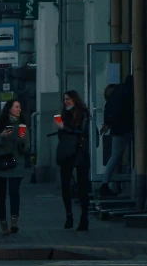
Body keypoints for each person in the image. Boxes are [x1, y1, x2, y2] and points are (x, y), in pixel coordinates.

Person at [0, 99, 30, 235]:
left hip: (16, 165)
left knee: (14, 192)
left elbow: (27, 147)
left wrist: (22, 141)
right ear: (9, 109)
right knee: (1, 195)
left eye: (20, 107)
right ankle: (3, 222)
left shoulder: (22, 125)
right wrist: (2, 136)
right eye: (16, 107)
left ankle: (14, 221)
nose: (19, 109)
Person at [55, 90, 91, 231]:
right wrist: (61, 128)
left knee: (82, 187)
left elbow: (82, 132)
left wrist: (65, 128)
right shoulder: (63, 115)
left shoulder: (83, 114)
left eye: (68, 99)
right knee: (65, 186)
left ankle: (84, 218)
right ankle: (69, 216)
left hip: (80, 152)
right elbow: (61, 135)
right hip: (66, 153)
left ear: (75, 100)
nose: (66, 102)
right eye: (64, 100)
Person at [99, 75, 134, 196]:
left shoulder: (113, 98)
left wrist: (107, 124)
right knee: (117, 156)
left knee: (115, 156)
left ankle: (106, 183)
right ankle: (105, 184)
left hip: (117, 130)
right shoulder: (126, 91)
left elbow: (108, 111)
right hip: (126, 129)